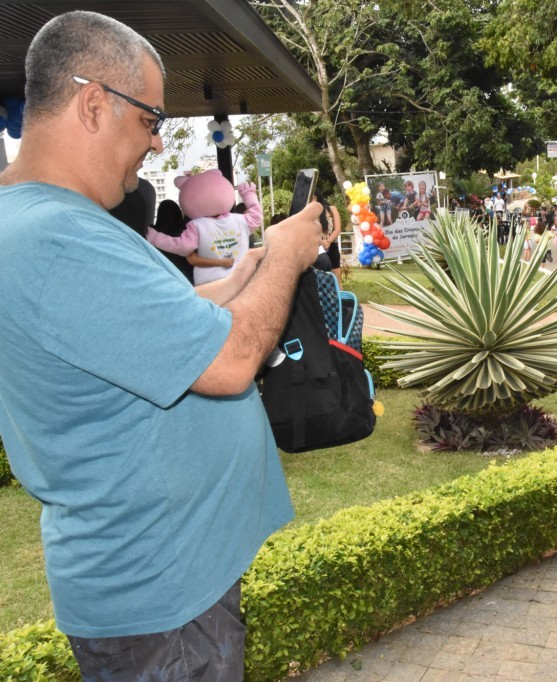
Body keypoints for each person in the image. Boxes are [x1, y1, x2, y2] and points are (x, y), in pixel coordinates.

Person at [0, 11, 324, 678]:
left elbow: (151, 325)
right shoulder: (56, 238)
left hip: (166, 582)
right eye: (151, 119)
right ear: (95, 103)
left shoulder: (43, 222)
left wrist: (241, 278)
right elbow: (231, 364)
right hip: (160, 598)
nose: (154, 146)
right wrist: (288, 258)